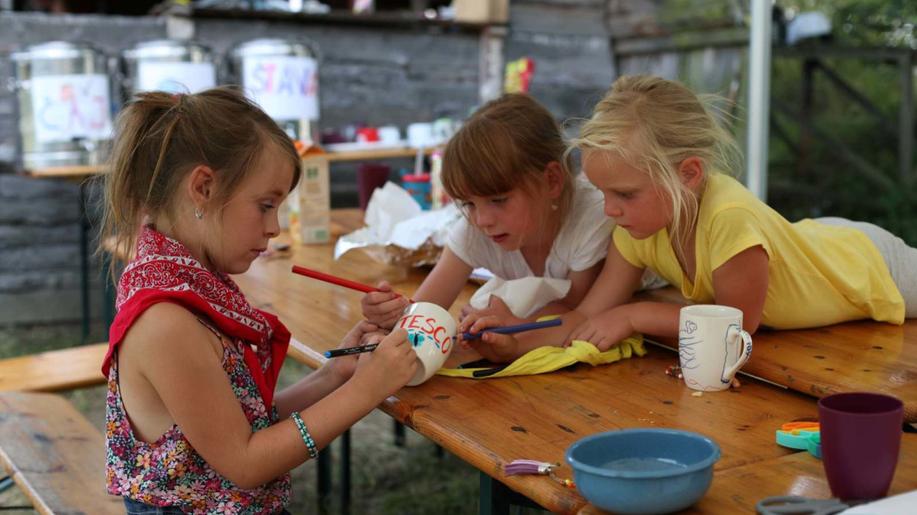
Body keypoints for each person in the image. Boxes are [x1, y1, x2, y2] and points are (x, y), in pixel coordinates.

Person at [98, 87, 417, 515]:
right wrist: (366, 390)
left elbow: (241, 422)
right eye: (265, 205)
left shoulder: (187, 275)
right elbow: (245, 462)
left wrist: (337, 373)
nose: (275, 228)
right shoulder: (165, 320)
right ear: (204, 187)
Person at [552, 74, 917, 350]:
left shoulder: (728, 217)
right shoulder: (634, 227)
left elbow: (737, 323)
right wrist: (513, 337)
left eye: (625, 194)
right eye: (602, 193)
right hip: (813, 245)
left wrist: (634, 315)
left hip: (869, 265)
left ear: (689, 174)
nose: (610, 209)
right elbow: (587, 315)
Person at [360, 93, 618, 361]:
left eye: (498, 200)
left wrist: (515, 328)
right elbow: (424, 309)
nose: (483, 220)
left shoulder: (593, 215)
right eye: (468, 203)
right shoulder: (473, 229)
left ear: (551, 180)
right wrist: (391, 319)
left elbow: (575, 307)